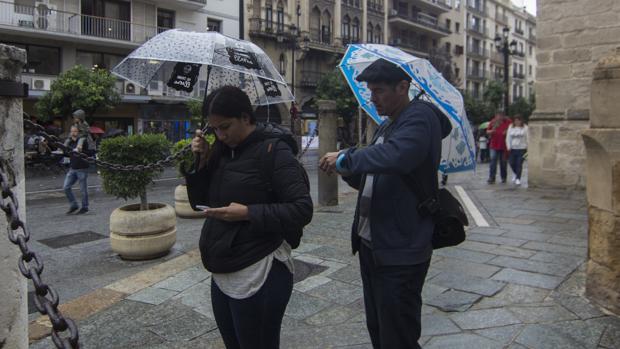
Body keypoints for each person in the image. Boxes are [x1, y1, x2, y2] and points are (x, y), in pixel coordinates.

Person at [319, 59, 452, 349]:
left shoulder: (420, 118)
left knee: (398, 335)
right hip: (374, 244)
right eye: (370, 91)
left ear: (403, 87)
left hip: (401, 248)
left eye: (379, 91)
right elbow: (373, 174)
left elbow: (395, 157)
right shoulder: (389, 124)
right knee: (379, 328)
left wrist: (346, 156)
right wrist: (348, 171)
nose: (372, 97)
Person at [186, 86, 313, 349]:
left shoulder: (274, 151)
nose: (220, 135)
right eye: (214, 129)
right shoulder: (222, 149)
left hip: (260, 269)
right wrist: (199, 161)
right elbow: (199, 203)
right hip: (223, 268)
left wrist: (247, 213)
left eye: (225, 127)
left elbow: (302, 209)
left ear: (246, 117)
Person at [63, 126, 91, 214]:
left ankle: (84, 207)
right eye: (72, 131)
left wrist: (80, 150)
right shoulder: (70, 142)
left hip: (82, 168)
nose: (73, 133)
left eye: (75, 131)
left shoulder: (83, 140)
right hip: (73, 168)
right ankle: (74, 205)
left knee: (83, 190)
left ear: (78, 132)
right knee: (66, 187)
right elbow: (68, 154)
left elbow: (87, 152)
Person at [486, 113, 511, 184]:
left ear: (503, 116)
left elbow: (512, 129)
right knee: (493, 161)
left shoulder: (508, 122)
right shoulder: (493, 122)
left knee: (503, 162)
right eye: (497, 116)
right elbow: (487, 131)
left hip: (504, 146)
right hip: (494, 145)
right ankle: (491, 177)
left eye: (500, 116)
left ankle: (503, 177)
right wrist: (492, 131)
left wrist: (507, 132)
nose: (499, 118)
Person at [506, 115, 528, 186]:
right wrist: (508, 146)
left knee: (519, 164)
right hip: (513, 148)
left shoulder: (525, 128)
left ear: (521, 121)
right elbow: (508, 137)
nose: (517, 122)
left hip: (522, 148)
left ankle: (518, 178)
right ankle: (515, 173)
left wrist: (528, 147)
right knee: (511, 162)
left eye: (518, 120)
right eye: (515, 120)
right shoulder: (511, 127)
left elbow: (528, 138)